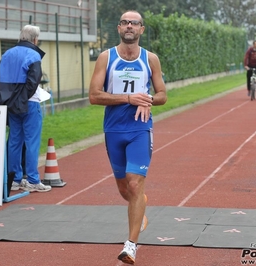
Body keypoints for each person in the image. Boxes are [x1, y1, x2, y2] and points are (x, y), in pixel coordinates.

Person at [89, 10, 167, 265]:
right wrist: (128, 98)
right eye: (125, 22)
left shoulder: (150, 59)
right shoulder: (106, 57)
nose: (129, 26)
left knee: (135, 184)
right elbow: (94, 95)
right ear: (119, 29)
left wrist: (149, 100)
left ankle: (130, 245)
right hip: (114, 129)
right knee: (125, 188)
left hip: (139, 129)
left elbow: (163, 94)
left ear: (142, 29)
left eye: (134, 23)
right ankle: (140, 205)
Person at [0, 25, 51, 192]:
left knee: (14, 141)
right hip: (29, 103)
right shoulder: (34, 55)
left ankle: (15, 180)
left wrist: (10, 98)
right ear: (35, 39)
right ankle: (32, 179)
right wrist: (22, 99)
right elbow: (33, 82)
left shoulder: (7, 54)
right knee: (32, 141)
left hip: (10, 104)